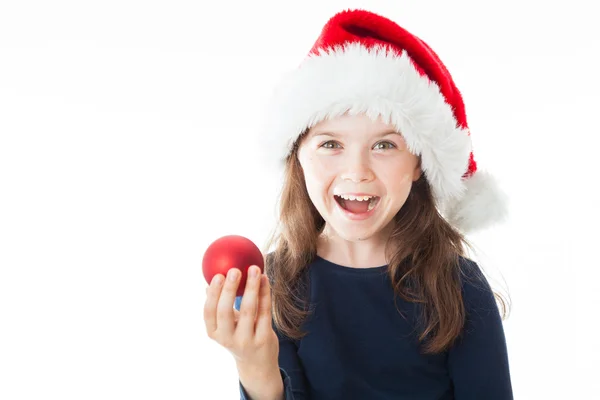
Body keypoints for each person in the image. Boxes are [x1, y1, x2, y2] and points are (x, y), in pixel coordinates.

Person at [203, 8, 513, 400]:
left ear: (419, 162)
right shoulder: (278, 283)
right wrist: (255, 367)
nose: (357, 171)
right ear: (297, 156)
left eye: (384, 145)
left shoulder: (458, 287)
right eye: (331, 144)